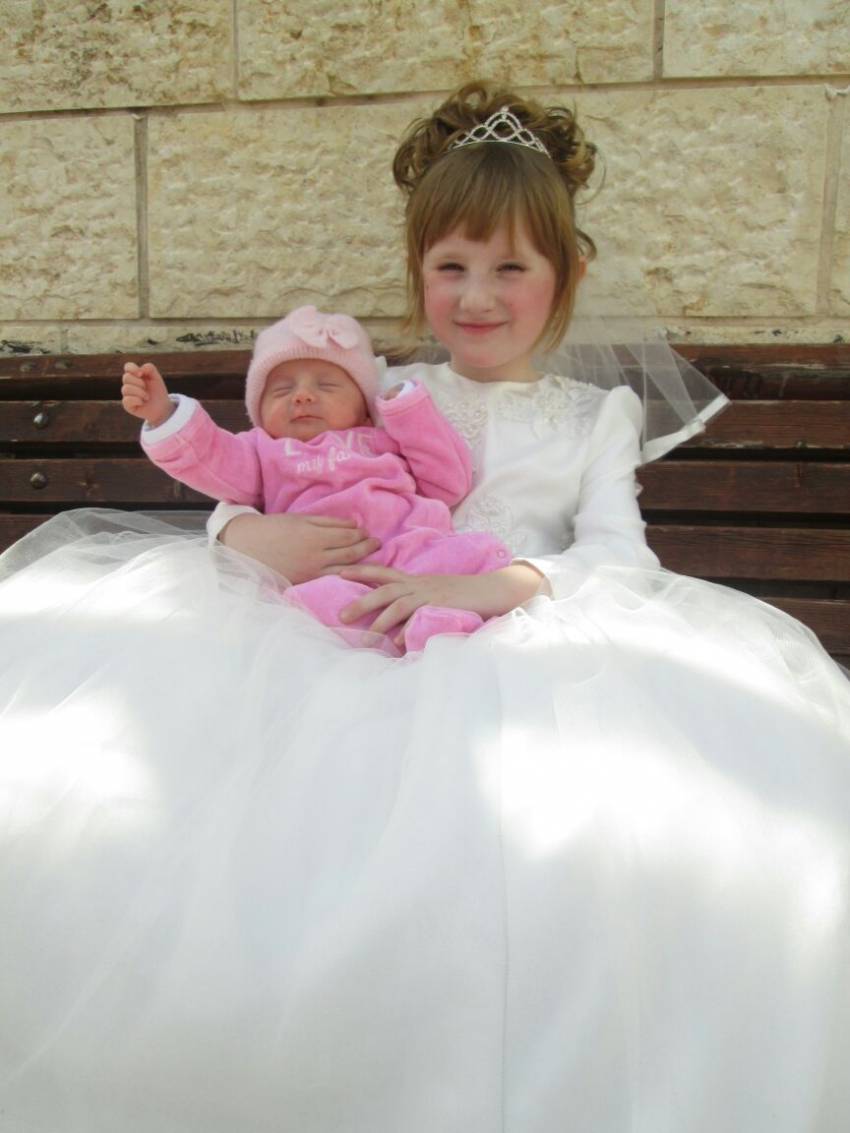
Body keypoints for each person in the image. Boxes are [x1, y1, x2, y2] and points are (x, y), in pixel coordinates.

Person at [1, 81, 850, 1133]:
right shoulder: (379, 390)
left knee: (618, 828)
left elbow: (617, 554)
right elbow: (263, 473)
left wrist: (497, 585)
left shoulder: (595, 414)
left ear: (567, 275)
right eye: (451, 266)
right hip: (347, 635)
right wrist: (240, 535)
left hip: (526, 640)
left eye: (510, 268)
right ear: (417, 273)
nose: (477, 296)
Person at [121, 304, 512, 652]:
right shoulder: (262, 451)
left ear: (364, 408)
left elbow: (448, 483)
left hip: (413, 552)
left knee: (473, 554)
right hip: (333, 573)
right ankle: (415, 633)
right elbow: (211, 457)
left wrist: (408, 412)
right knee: (322, 603)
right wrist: (164, 416)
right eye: (282, 389)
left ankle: (444, 621)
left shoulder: (386, 439)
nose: (302, 396)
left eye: (326, 385)